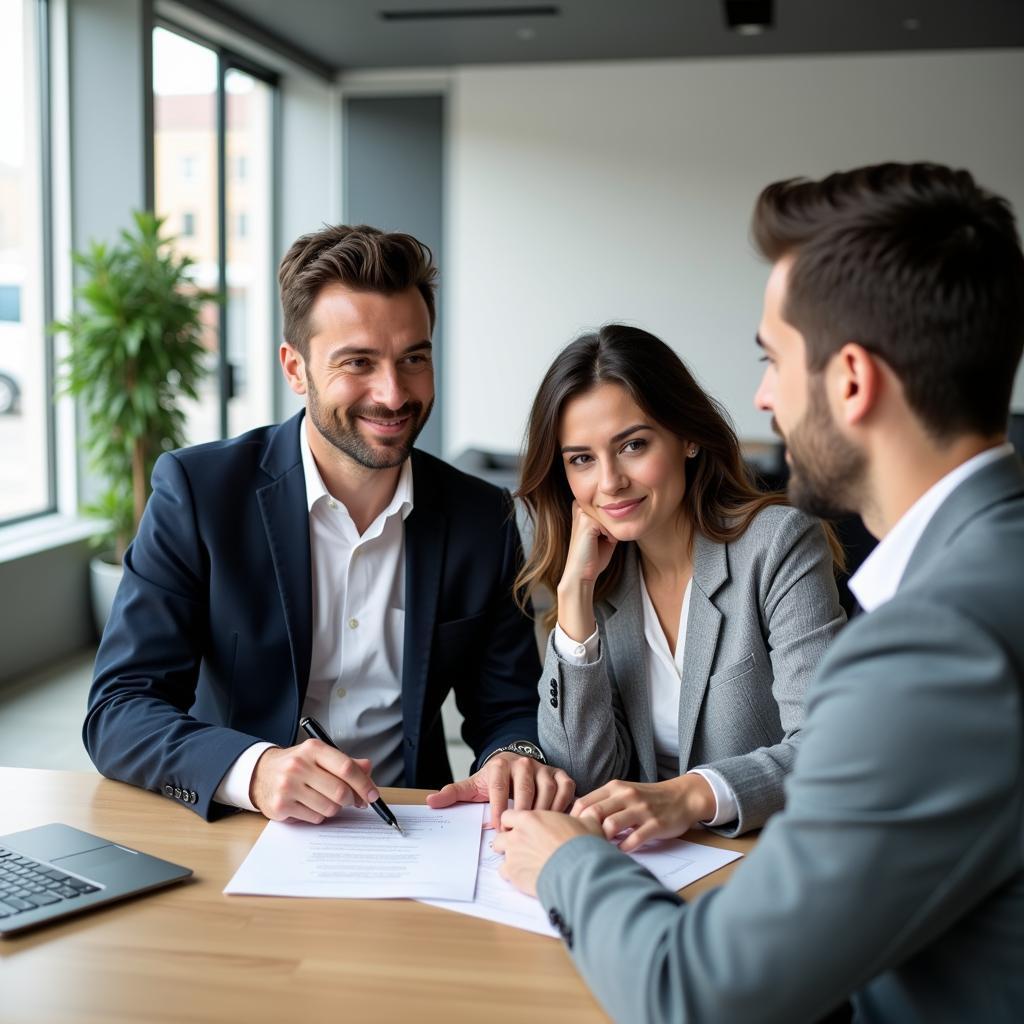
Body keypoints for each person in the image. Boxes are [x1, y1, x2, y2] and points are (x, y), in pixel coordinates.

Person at [494, 162, 1024, 1022]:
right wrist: (578, 611)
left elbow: (700, 995)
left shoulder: (936, 641)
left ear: (851, 380)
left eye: (774, 359)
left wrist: (565, 865)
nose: (763, 396)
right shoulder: (982, 573)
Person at [85, 224, 574, 829]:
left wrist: (514, 756)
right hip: (242, 827)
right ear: (296, 368)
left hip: (412, 829)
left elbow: (508, 707)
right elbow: (119, 709)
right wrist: (255, 769)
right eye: (358, 363)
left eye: (413, 359)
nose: (393, 393)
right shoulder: (199, 493)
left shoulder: (482, 516)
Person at [516, 326, 845, 846]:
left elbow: (832, 748)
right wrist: (574, 599)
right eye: (581, 458)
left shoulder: (778, 544)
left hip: (764, 863)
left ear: (688, 437)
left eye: (633, 446)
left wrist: (691, 795)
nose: (609, 482)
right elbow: (582, 775)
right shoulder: (598, 577)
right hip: (648, 867)